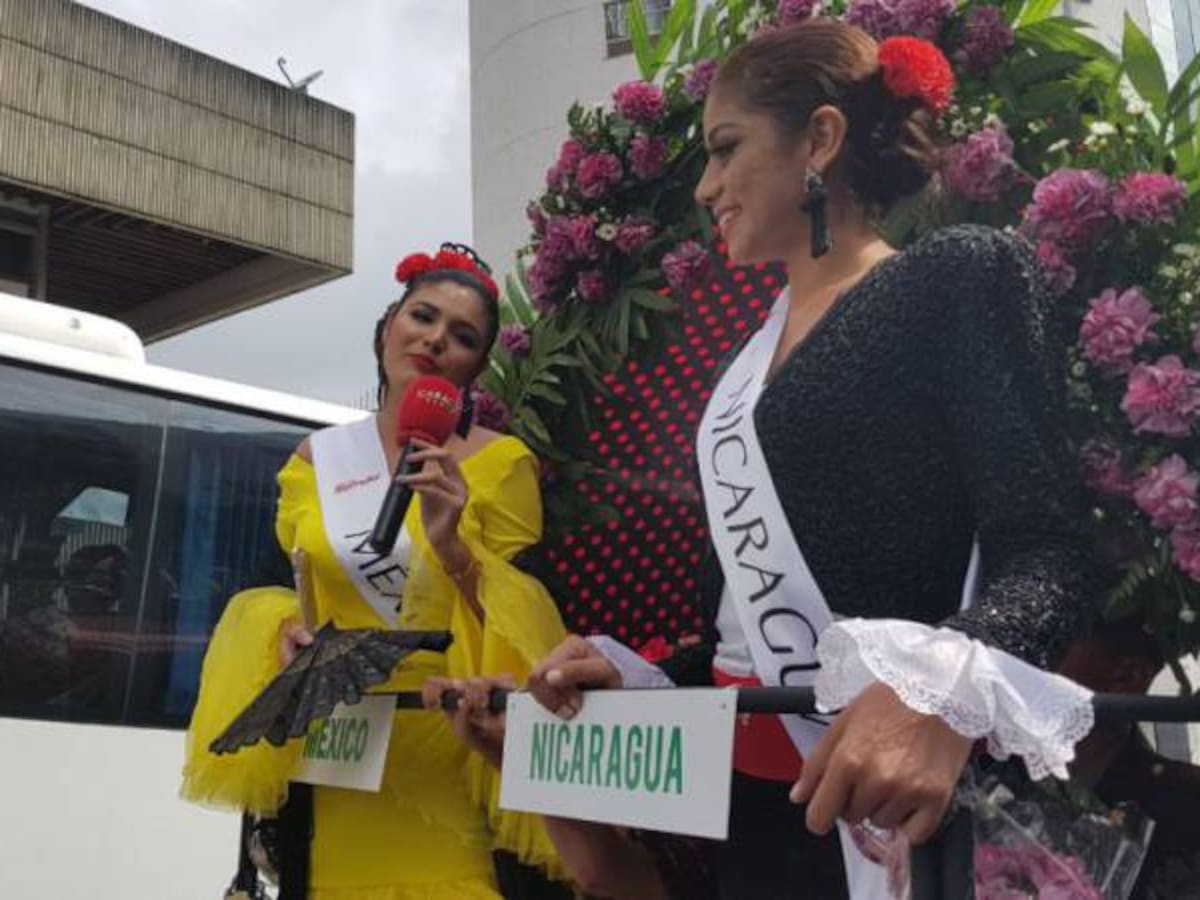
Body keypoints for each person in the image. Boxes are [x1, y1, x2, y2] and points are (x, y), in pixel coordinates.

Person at [482, 20, 1095, 899]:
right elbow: (750, 634)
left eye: (726, 148)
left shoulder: (955, 277)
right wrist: (646, 676)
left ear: (820, 140)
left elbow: (1050, 554)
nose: (705, 186)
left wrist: (938, 694)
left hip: (903, 815)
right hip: (759, 819)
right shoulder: (743, 362)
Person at [182, 244, 569, 899]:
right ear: (389, 323)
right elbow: (293, 584)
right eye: (423, 316)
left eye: (463, 336)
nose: (435, 339)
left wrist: (453, 549)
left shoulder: (500, 467)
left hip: (445, 742)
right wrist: (285, 631)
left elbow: (526, 626)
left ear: (475, 368)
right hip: (339, 746)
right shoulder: (317, 459)